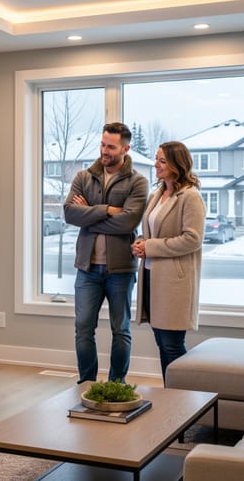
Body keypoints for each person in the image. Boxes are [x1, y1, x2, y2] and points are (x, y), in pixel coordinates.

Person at [64, 122, 149, 384]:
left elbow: (128, 222)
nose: (104, 151)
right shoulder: (83, 177)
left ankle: (116, 385)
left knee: (120, 330)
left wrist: (90, 212)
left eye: (111, 147)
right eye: (102, 144)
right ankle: (87, 384)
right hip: (87, 268)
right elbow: (69, 213)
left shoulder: (138, 182)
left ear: (125, 148)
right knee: (83, 329)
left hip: (121, 270)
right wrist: (109, 210)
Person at [131, 141, 205, 381]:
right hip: (153, 277)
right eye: (156, 159)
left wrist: (150, 247)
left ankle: (181, 404)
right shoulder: (157, 195)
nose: (156, 165)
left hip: (175, 283)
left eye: (162, 160)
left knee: (172, 346)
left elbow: (192, 239)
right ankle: (171, 399)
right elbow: (154, 231)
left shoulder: (190, 197)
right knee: (162, 345)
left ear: (177, 164)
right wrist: (142, 242)